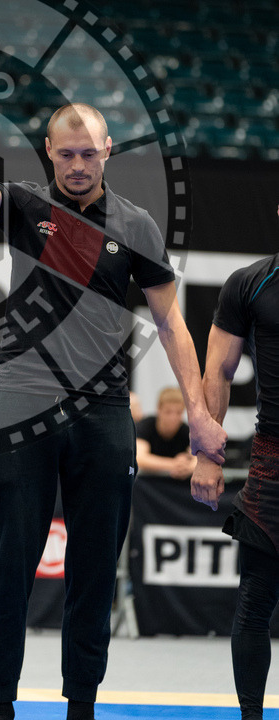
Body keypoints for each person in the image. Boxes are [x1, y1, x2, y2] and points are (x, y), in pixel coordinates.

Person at [0, 81, 227, 720]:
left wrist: (200, 416)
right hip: (22, 406)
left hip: (102, 415)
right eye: (66, 154)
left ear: (108, 151)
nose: (78, 165)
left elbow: (173, 325)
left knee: (93, 575)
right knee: (9, 568)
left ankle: (81, 707)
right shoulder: (21, 205)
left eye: (89, 153)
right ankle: (0, 706)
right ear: (48, 153)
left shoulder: (136, 226)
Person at [192, 216, 279, 720]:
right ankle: (251, 717)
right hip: (272, 467)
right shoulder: (251, 283)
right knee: (253, 606)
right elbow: (218, 371)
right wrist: (208, 454)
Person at [135, 386, 196, 479]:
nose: (173, 418)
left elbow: (198, 460)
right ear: (159, 409)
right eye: (168, 412)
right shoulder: (146, 426)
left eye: (178, 412)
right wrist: (174, 463)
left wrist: (187, 466)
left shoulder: (187, 431)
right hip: (148, 483)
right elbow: (140, 459)